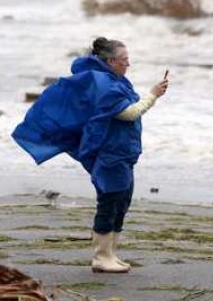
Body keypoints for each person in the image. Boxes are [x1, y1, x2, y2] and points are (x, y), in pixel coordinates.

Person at [12, 37, 168, 273]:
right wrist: (153, 94)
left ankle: (111, 254)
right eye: (125, 60)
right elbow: (129, 113)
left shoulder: (116, 80)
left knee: (122, 203)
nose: (129, 64)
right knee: (109, 203)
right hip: (110, 155)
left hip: (123, 153)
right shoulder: (105, 84)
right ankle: (101, 257)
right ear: (112, 61)